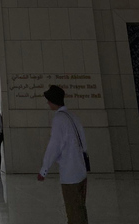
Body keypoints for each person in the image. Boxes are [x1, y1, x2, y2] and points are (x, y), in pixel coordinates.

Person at [38, 85, 89, 224]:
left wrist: (44, 170)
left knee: (73, 211)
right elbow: (84, 144)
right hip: (81, 171)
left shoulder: (59, 119)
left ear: (53, 101)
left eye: (48, 100)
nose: (47, 103)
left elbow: (54, 147)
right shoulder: (73, 116)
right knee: (80, 208)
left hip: (70, 173)